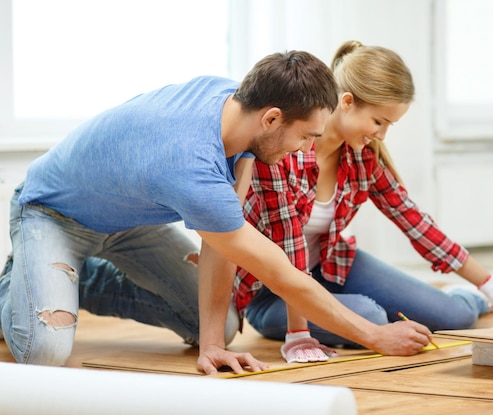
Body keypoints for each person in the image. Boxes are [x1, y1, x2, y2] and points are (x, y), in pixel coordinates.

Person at [0, 49, 434, 375]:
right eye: (304, 137)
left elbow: (221, 241)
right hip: (52, 213)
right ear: (272, 119)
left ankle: (82, 281)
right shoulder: (191, 167)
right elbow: (280, 272)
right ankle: (17, 285)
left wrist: (210, 346)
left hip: (129, 220)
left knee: (220, 327)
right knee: (46, 353)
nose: (306, 150)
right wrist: (375, 336)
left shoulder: (236, 105)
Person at [233, 41, 493, 363]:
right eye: (379, 121)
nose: (381, 135)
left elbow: (416, 223)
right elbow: (290, 247)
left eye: (388, 126)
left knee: (455, 316)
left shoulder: (363, 159)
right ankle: (352, 312)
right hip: (272, 291)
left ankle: (464, 299)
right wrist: (299, 334)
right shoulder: (284, 151)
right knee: (373, 316)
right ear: (348, 102)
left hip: (330, 265)